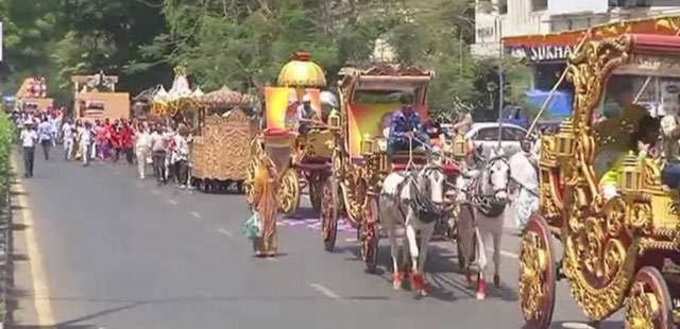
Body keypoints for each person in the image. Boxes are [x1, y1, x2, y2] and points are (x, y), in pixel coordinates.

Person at [599, 115, 660, 199]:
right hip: (613, 183)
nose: (656, 134)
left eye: (657, 131)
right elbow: (633, 166)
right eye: (653, 131)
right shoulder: (630, 152)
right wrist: (643, 153)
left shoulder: (652, 148)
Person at [252, 156, 280, 257]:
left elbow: (257, 192)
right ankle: (271, 248)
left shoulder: (260, 176)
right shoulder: (274, 176)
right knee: (271, 225)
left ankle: (261, 248)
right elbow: (277, 188)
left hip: (262, 204)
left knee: (261, 226)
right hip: (272, 203)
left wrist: (254, 203)